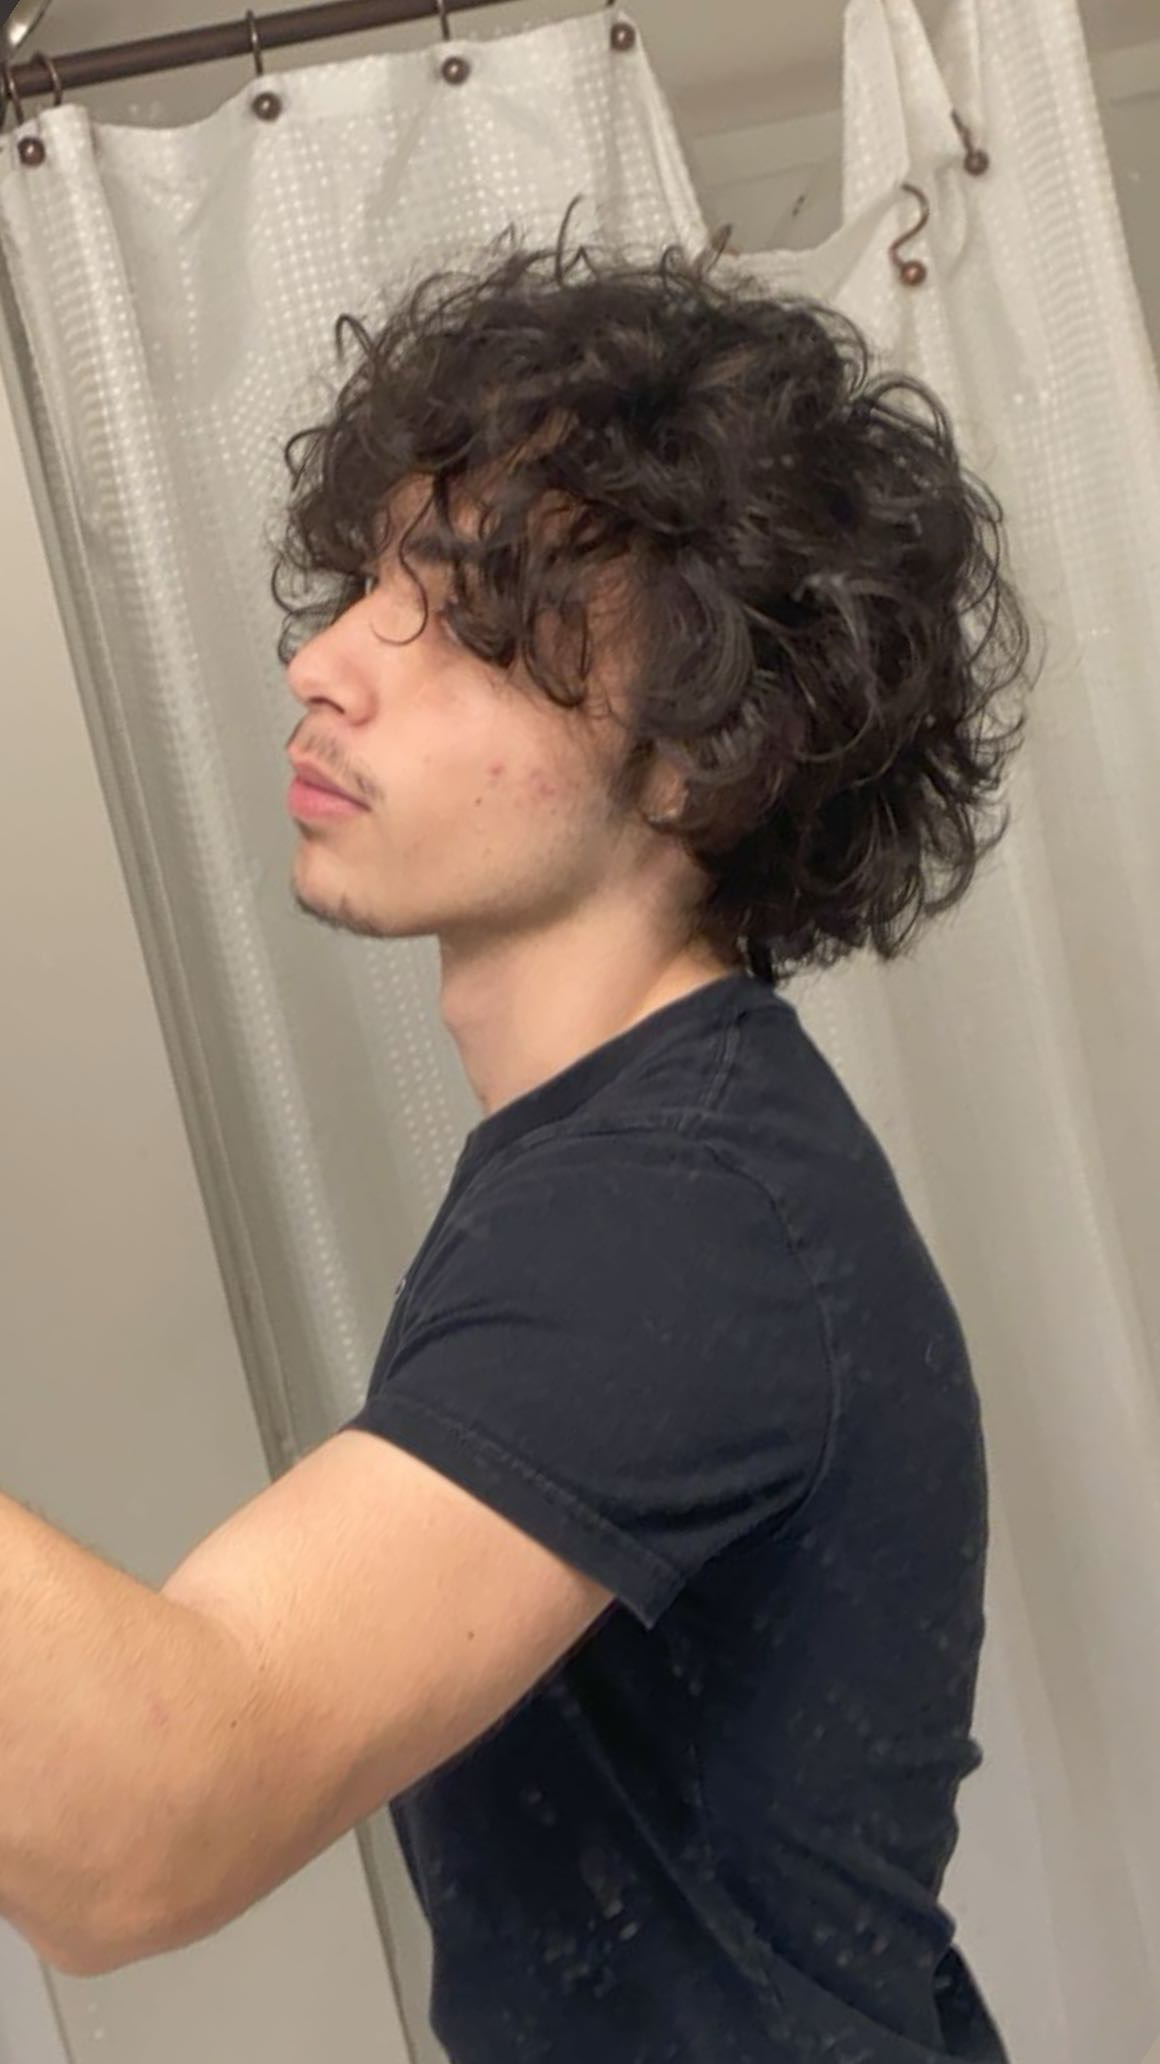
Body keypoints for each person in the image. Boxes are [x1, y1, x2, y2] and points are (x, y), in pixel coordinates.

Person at [270, 211, 1033, 2061]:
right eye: (364, 584)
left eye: (469, 628)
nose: (324, 664)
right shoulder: (644, 1150)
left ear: (702, 755)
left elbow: (152, 1814)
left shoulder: (678, 1215)